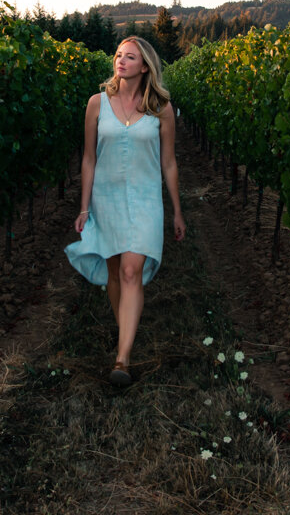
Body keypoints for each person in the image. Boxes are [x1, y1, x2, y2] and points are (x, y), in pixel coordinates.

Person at [65, 36, 186, 386]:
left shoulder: (161, 109)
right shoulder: (96, 104)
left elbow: (169, 163)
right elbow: (88, 159)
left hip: (146, 199)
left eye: (130, 57)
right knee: (116, 272)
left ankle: (122, 359)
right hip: (107, 199)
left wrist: (177, 210)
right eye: (119, 55)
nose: (121, 61)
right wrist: (84, 207)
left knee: (133, 271)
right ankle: (126, 334)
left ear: (145, 66)